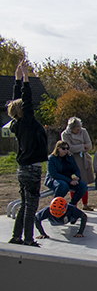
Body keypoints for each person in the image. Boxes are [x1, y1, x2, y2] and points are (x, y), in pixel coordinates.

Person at [7, 61, 49, 247]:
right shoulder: (28, 122)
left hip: (22, 169)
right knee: (31, 206)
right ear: (24, 111)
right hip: (31, 169)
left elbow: (18, 102)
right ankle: (28, 239)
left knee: (25, 205)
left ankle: (17, 237)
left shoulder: (17, 124)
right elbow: (27, 100)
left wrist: (16, 80)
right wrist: (25, 79)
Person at [60, 117, 95, 211]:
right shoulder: (65, 134)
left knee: (84, 181)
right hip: (72, 159)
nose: (79, 130)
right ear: (71, 128)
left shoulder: (84, 131)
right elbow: (69, 148)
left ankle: (85, 204)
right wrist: (83, 146)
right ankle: (74, 204)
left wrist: (81, 147)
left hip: (83, 159)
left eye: (79, 128)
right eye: (77, 129)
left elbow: (89, 145)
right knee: (74, 181)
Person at [44, 140, 88, 206]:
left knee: (83, 186)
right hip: (55, 179)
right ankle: (55, 206)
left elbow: (76, 169)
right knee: (63, 186)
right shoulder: (52, 158)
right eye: (63, 148)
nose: (66, 150)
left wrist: (77, 177)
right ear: (58, 149)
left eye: (67, 148)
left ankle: (72, 205)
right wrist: (69, 181)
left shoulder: (70, 157)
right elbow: (54, 174)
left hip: (69, 178)